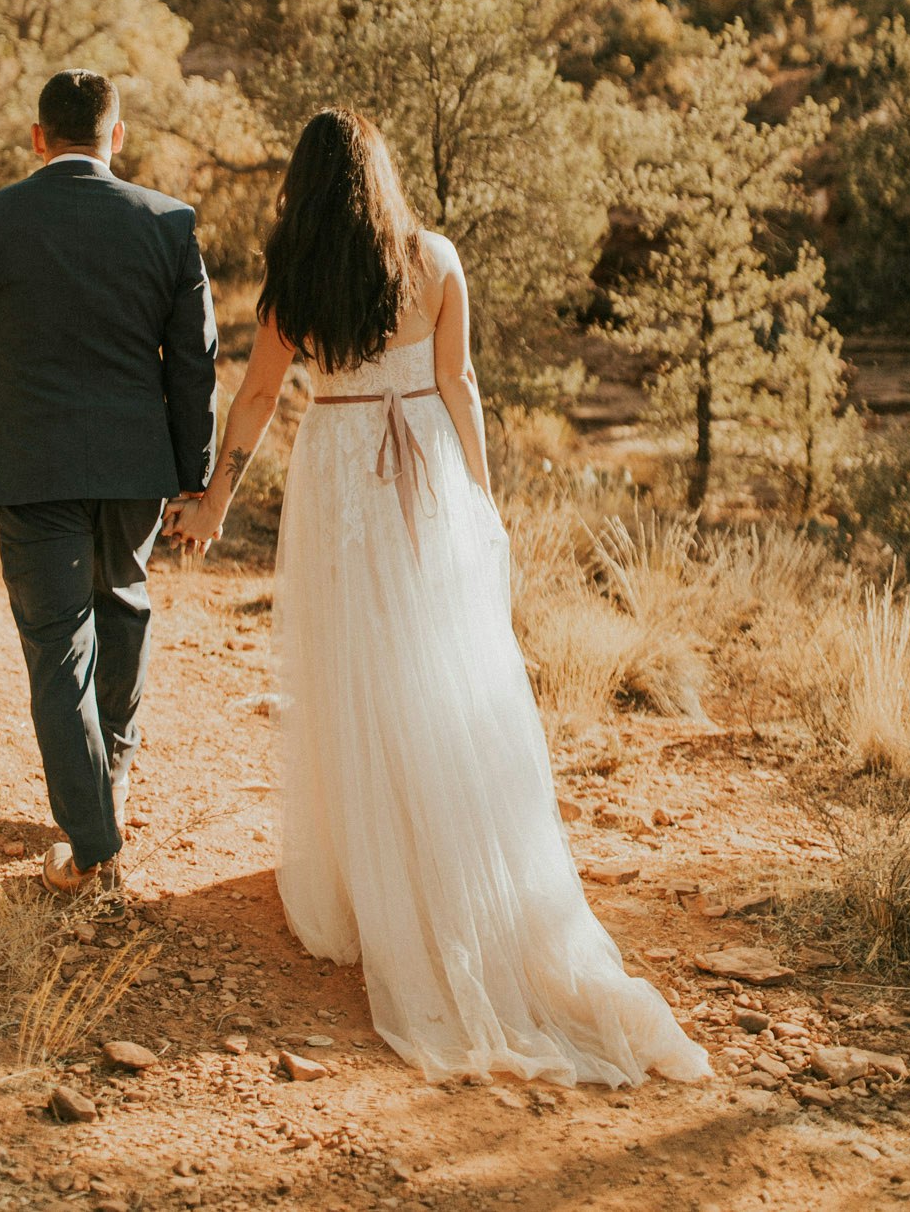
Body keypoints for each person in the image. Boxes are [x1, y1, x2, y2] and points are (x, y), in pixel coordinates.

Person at [164, 108, 709, 1088]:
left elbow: (252, 401)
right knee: (438, 667)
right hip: (425, 473)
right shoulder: (435, 260)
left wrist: (213, 500)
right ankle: (448, 863)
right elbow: (459, 383)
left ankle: (368, 880)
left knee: (354, 669)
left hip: (340, 473)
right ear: (381, 181)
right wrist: (482, 500)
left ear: (306, 185)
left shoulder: (300, 281)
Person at [0, 68, 218, 895]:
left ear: (38, 138)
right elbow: (194, 361)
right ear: (115, 136)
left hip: (31, 466)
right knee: (122, 604)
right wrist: (191, 474)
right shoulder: (168, 224)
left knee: (58, 649)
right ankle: (106, 787)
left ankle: (92, 839)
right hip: (136, 469)